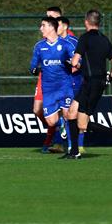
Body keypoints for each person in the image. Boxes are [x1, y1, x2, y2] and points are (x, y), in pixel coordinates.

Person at [64, 9, 112, 159]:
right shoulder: (105, 40)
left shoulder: (85, 38)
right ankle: (74, 152)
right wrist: (108, 79)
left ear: (86, 21)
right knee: (71, 113)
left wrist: (71, 64)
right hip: (95, 83)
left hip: (90, 84)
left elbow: (74, 62)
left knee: (82, 125)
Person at [29, 17, 75, 157]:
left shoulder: (66, 45)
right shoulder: (39, 46)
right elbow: (32, 67)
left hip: (64, 87)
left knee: (68, 114)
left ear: (51, 27)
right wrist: (35, 70)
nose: (40, 28)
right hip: (48, 90)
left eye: (43, 25)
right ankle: (61, 124)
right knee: (51, 121)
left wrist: (73, 63)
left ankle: (72, 149)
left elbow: (78, 62)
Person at [36, 6, 68, 152]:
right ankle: (55, 133)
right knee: (37, 110)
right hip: (45, 77)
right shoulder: (44, 40)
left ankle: (56, 141)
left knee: (63, 112)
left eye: (52, 17)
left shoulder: (66, 38)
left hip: (60, 81)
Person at [58, 16, 84, 152]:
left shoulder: (74, 42)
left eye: (58, 25)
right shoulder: (55, 43)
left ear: (65, 26)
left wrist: (71, 64)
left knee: (74, 115)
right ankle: (71, 146)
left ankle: (75, 146)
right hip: (62, 83)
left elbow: (80, 63)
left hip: (75, 81)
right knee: (66, 113)